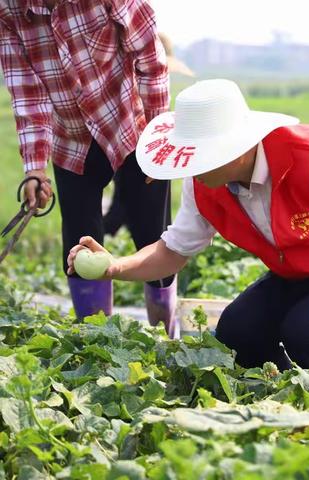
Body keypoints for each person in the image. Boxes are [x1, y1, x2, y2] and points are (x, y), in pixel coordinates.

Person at [67, 79, 309, 371]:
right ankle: (282, 384)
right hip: (303, 273)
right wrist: (116, 266)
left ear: (238, 148)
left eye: (202, 155)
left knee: (308, 332)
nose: (191, 166)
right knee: (236, 334)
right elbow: (173, 250)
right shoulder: (205, 181)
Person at [0, 0, 178, 336]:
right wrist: (34, 169)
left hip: (131, 127)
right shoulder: (10, 11)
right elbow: (28, 95)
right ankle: (94, 342)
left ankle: (167, 336)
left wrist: (158, 145)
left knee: (153, 235)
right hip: (71, 139)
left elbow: (152, 64)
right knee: (79, 247)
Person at [104, 31, 194, 237]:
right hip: (145, 152)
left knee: (126, 210)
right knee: (146, 224)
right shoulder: (136, 84)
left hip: (139, 152)